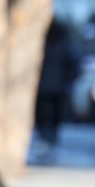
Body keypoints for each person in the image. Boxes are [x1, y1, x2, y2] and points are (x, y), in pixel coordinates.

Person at [33, 18, 79, 163]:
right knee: (53, 117)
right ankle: (49, 141)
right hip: (57, 86)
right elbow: (72, 62)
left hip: (43, 85)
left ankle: (45, 141)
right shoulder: (63, 41)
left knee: (43, 115)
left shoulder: (39, 42)